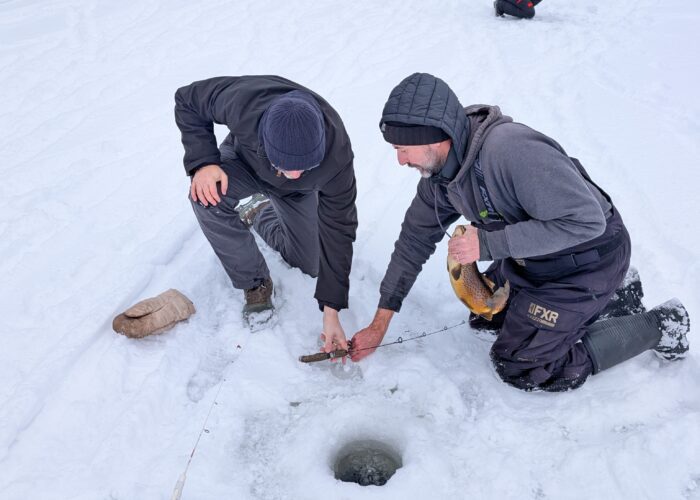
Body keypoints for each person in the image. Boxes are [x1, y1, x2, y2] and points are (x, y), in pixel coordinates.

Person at [350, 72, 690, 392]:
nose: (399, 160)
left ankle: (660, 325)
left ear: (435, 139)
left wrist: (487, 243)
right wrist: (380, 323)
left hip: (587, 259)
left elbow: (586, 222)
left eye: (402, 149)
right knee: (487, 316)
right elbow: (413, 241)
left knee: (521, 364)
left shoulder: (511, 151)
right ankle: (617, 294)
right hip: (534, 259)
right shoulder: (441, 177)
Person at [174, 76, 357, 352]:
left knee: (310, 263)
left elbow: (340, 228)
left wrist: (332, 311)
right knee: (206, 196)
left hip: (298, 194)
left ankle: (258, 211)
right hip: (245, 164)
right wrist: (203, 163)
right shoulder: (245, 102)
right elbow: (188, 99)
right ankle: (255, 282)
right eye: (287, 165)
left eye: (304, 166)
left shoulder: (337, 157)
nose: (294, 174)